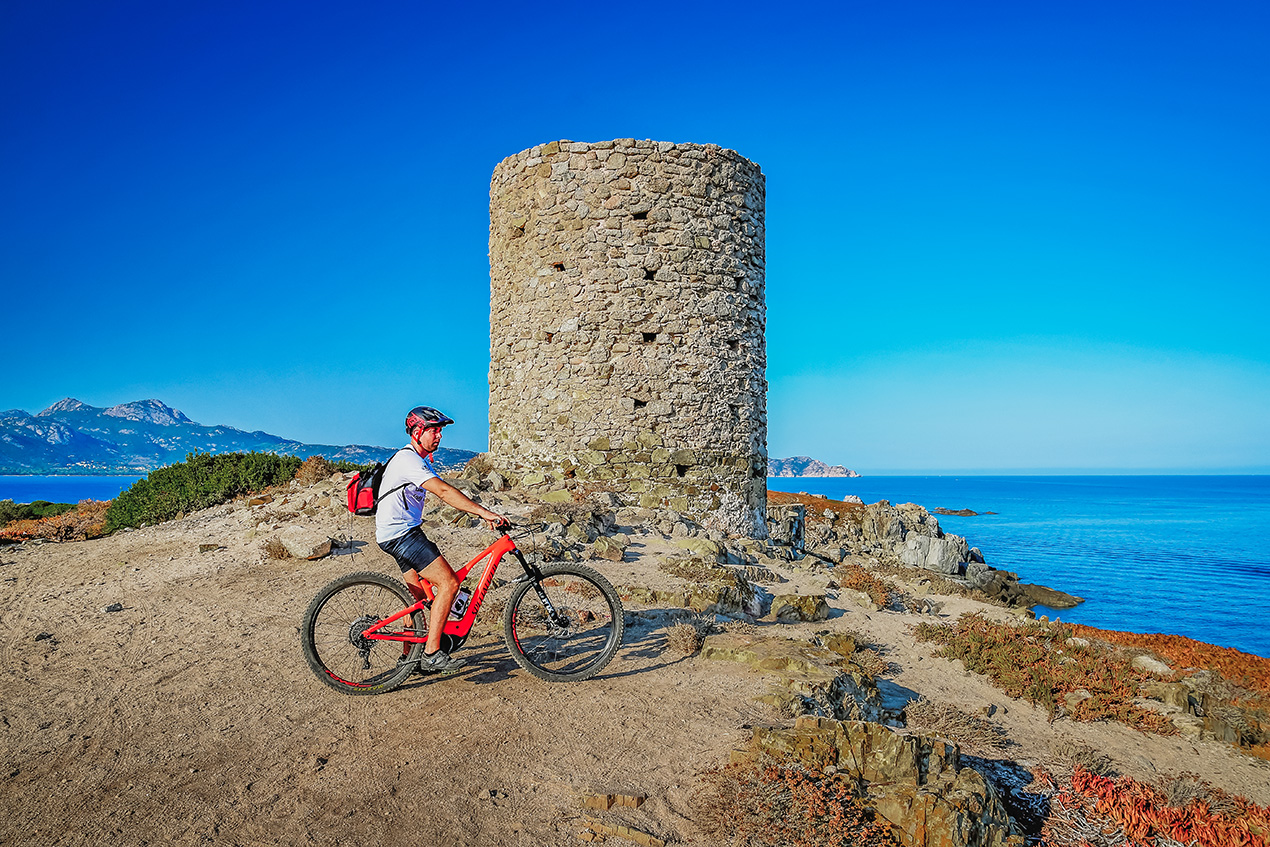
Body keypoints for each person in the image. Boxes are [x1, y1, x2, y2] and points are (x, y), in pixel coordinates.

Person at [376, 405, 506, 673]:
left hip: (395, 532)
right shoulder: (408, 460)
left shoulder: (417, 458)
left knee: (416, 602)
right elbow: (444, 491)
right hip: (402, 534)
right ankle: (432, 653)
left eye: (440, 431)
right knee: (449, 583)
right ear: (417, 432)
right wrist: (484, 513)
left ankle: (408, 660)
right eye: (434, 430)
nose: (439, 436)